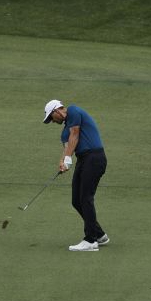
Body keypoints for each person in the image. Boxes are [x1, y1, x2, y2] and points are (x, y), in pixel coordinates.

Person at [42, 99, 109, 252]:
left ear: (57, 111)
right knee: (76, 200)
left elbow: (75, 133)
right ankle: (99, 234)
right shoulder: (64, 131)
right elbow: (67, 147)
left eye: (52, 118)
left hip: (94, 158)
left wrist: (68, 159)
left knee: (85, 198)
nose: (52, 121)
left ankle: (90, 240)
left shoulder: (73, 111)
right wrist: (62, 161)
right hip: (83, 160)